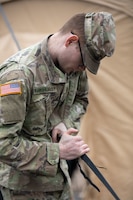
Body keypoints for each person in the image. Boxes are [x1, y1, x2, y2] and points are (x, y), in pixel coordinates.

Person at [0, 11, 116, 200]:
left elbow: (81, 100)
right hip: (22, 189)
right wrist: (58, 152)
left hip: (60, 182)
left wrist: (63, 123)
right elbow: (3, 144)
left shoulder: (74, 68)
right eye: (84, 62)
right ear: (70, 41)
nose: (83, 69)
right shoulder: (19, 75)